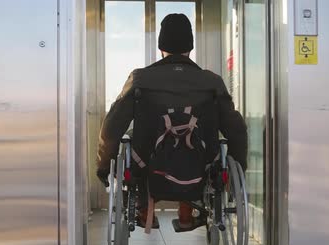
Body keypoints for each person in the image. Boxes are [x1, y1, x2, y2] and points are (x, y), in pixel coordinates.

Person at [96, 13, 247, 232]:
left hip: (147, 166)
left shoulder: (140, 79)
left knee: (135, 143)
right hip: (199, 166)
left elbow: (111, 128)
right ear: (191, 47)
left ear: (160, 47)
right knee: (193, 148)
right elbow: (236, 129)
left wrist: (103, 166)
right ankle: (186, 211)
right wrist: (238, 170)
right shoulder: (211, 82)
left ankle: (144, 209)